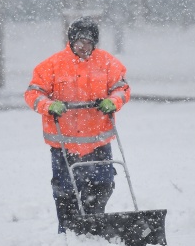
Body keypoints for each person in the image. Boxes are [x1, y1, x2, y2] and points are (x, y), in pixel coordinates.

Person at [24, 16, 131, 233]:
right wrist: (48, 105)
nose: (84, 47)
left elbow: (122, 88)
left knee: (103, 184)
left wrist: (114, 101)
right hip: (64, 143)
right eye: (80, 43)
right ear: (71, 42)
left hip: (98, 140)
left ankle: (94, 222)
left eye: (89, 43)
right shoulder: (51, 65)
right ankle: (70, 228)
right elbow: (33, 93)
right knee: (65, 190)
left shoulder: (108, 63)